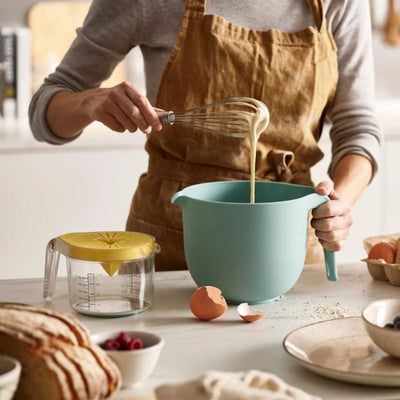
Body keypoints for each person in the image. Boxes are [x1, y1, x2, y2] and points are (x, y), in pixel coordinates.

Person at [29, 0, 382, 270]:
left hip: (288, 241)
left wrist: (341, 202)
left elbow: (358, 128)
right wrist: (90, 103)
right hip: (173, 241)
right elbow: (45, 109)